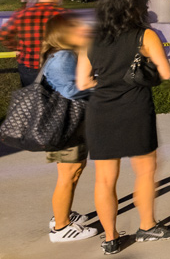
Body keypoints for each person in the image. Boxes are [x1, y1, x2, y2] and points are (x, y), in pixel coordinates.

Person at [75, 0, 170, 253]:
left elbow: (83, 81)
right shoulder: (144, 36)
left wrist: (107, 79)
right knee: (145, 172)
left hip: (101, 111)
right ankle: (147, 227)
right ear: (135, 8)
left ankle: (110, 239)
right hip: (135, 108)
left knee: (105, 179)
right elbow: (166, 73)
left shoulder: (91, 38)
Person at [41, 13, 100, 243]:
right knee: (68, 174)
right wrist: (99, 85)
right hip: (65, 126)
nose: (82, 29)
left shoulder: (63, 54)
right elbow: (71, 91)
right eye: (76, 27)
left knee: (72, 172)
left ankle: (62, 214)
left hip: (68, 124)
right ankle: (61, 227)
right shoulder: (63, 56)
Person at [1, 0, 67, 86]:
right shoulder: (63, 14)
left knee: (32, 96)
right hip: (57, 63)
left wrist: (17, 47)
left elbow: (4, 34)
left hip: (29, 63)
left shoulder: (22, 13)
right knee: (58, 97)